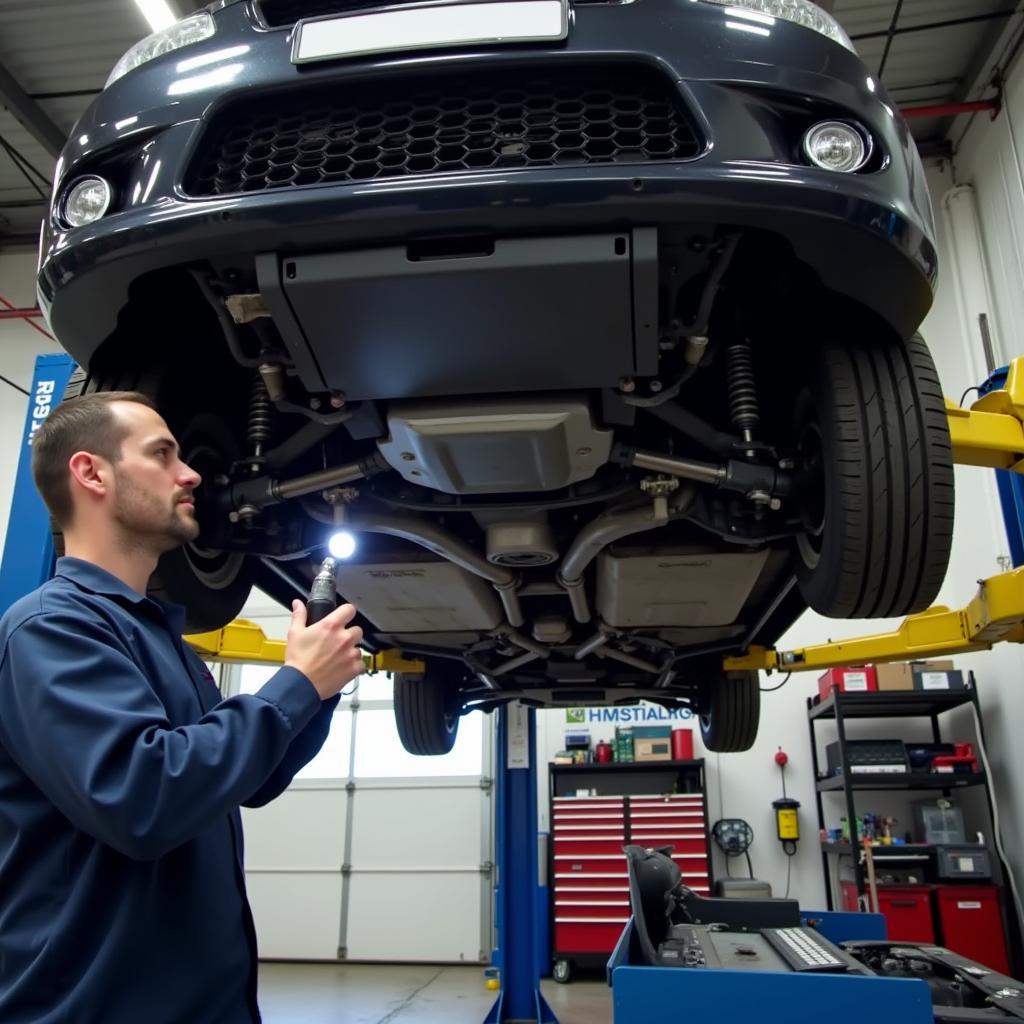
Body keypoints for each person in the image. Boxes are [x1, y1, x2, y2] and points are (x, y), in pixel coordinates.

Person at [0, 391, 365, 1023]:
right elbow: (143, 797)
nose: (192, 472)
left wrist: (318, 689)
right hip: (93, 1006)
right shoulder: (50, 628)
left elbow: (247, 781)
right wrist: (296, 685)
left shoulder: (163, 641)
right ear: (91, 473)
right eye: (162, 454)